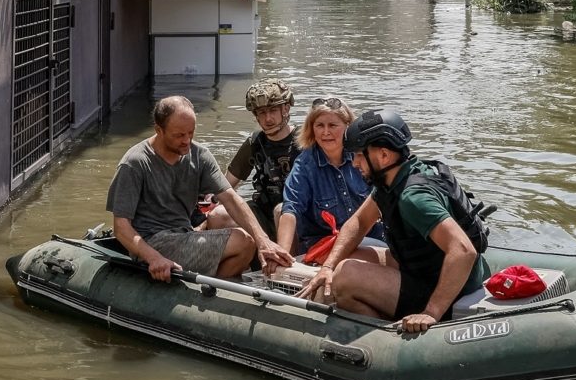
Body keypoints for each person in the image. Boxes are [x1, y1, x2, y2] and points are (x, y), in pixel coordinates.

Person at [298, 109, 490, 334]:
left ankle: (391, 340)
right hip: (425, 269)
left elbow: (463, 250)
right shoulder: (394, 179)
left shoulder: (413, 198)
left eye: (360, 155)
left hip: (448, 290)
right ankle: (385, 322)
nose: (354, 163)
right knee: (349, 257)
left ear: (384, 155)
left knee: (346, 277)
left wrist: (431, 312)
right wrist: (327, 267)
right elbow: (359, 222)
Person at [106, 95, 293, 281]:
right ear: (159, 130)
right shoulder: (135, 163)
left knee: (246, 239)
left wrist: (264, 241)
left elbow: (230, 199)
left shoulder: (199, 155)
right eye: (179, 135)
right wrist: (154, 257)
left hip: (184, 234)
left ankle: (208, 291)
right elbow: (121, 227)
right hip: (153, 241)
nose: (187, 140)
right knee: (243, 242)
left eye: (191, 133)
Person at [277, 97, 385, 256]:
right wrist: (282, 254)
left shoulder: (364, 157)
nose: (326, 132)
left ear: (348, 126)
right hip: (325, 245)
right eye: (320, 125)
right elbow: (290, 210)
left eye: (333, 125)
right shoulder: (305, 166)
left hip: (371, 237)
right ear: (312, 129)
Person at [203, 78, 301, 239]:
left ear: (286, 109)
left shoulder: (303, 140)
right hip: (263, 213)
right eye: (262, 113)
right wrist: (211, 203)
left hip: (297, 215)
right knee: (218, 216)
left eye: (273, 110)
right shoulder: (255, 143)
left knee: (283, 212)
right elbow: (226, 186)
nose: (268, 119)